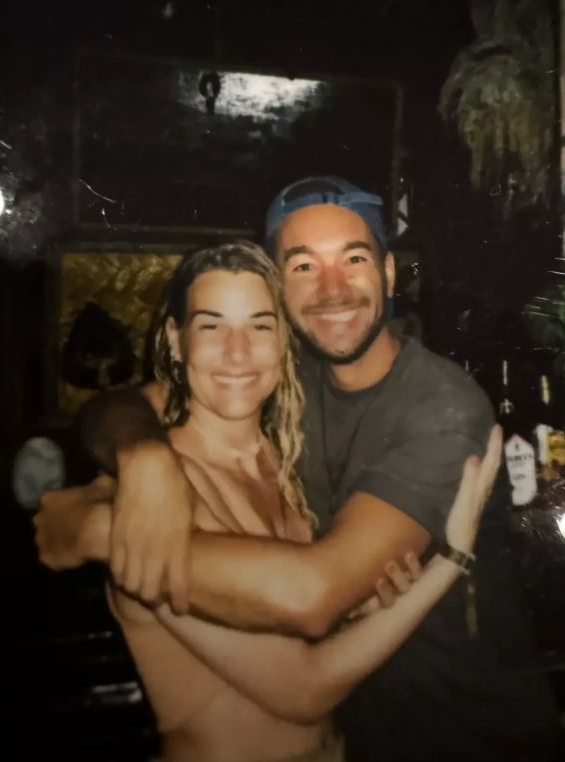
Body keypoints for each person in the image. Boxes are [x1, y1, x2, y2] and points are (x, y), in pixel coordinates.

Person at [36, 178, 560, 761]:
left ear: (388, 274)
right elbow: (123, 405)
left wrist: (99, 529)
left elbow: (312, 603)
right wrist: (141, 456)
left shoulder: (434, 408)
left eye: (353, 259)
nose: (333, 289)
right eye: (304, 265)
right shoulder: (279, 399)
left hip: (469, 735)